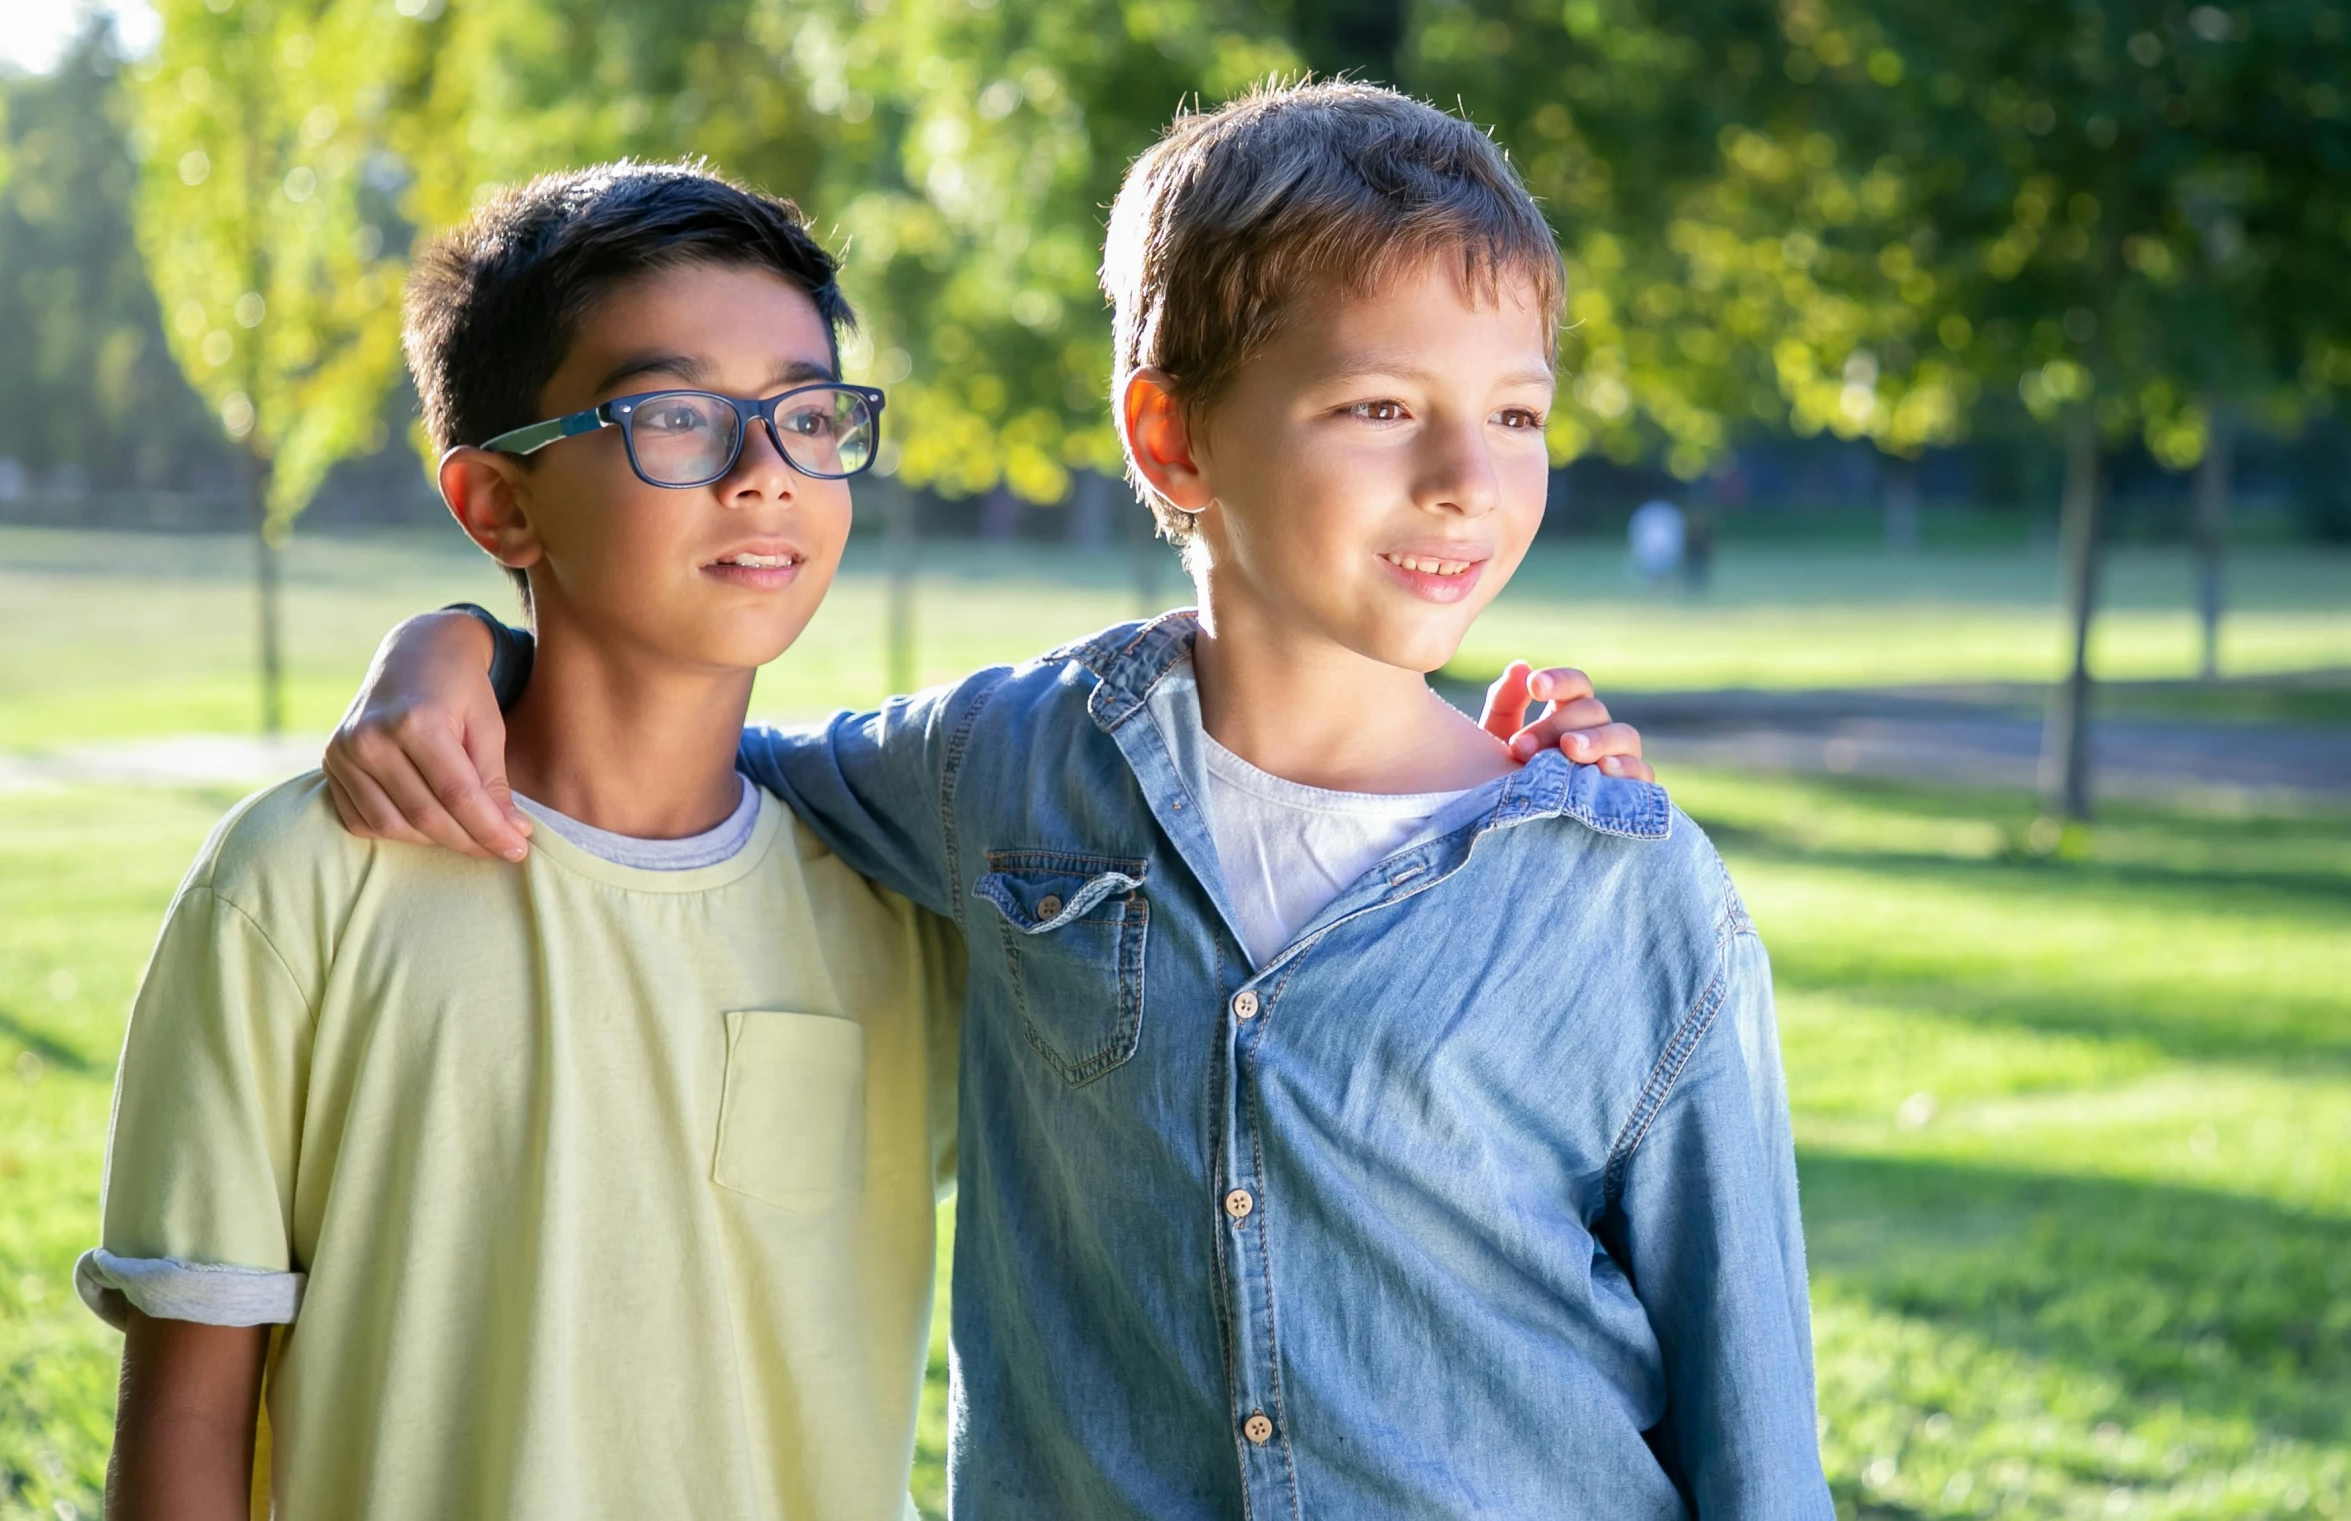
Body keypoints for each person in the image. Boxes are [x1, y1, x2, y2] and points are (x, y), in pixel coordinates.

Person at [328, 83, 1819, 1517]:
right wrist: (464, 640)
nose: (1464, 481)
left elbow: (1751, 1408)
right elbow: (694, 758)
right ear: (1171, 437)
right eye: (1377, 405)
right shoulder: (1004, 766)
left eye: (1514, 415)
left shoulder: (1625, 882)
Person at [79, 163, 968, 1520]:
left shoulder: (906, 901)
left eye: (805, 414)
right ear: (498, 505)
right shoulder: (303, 883)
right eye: (675, 414)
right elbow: (190, 1414)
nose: (761, 475)